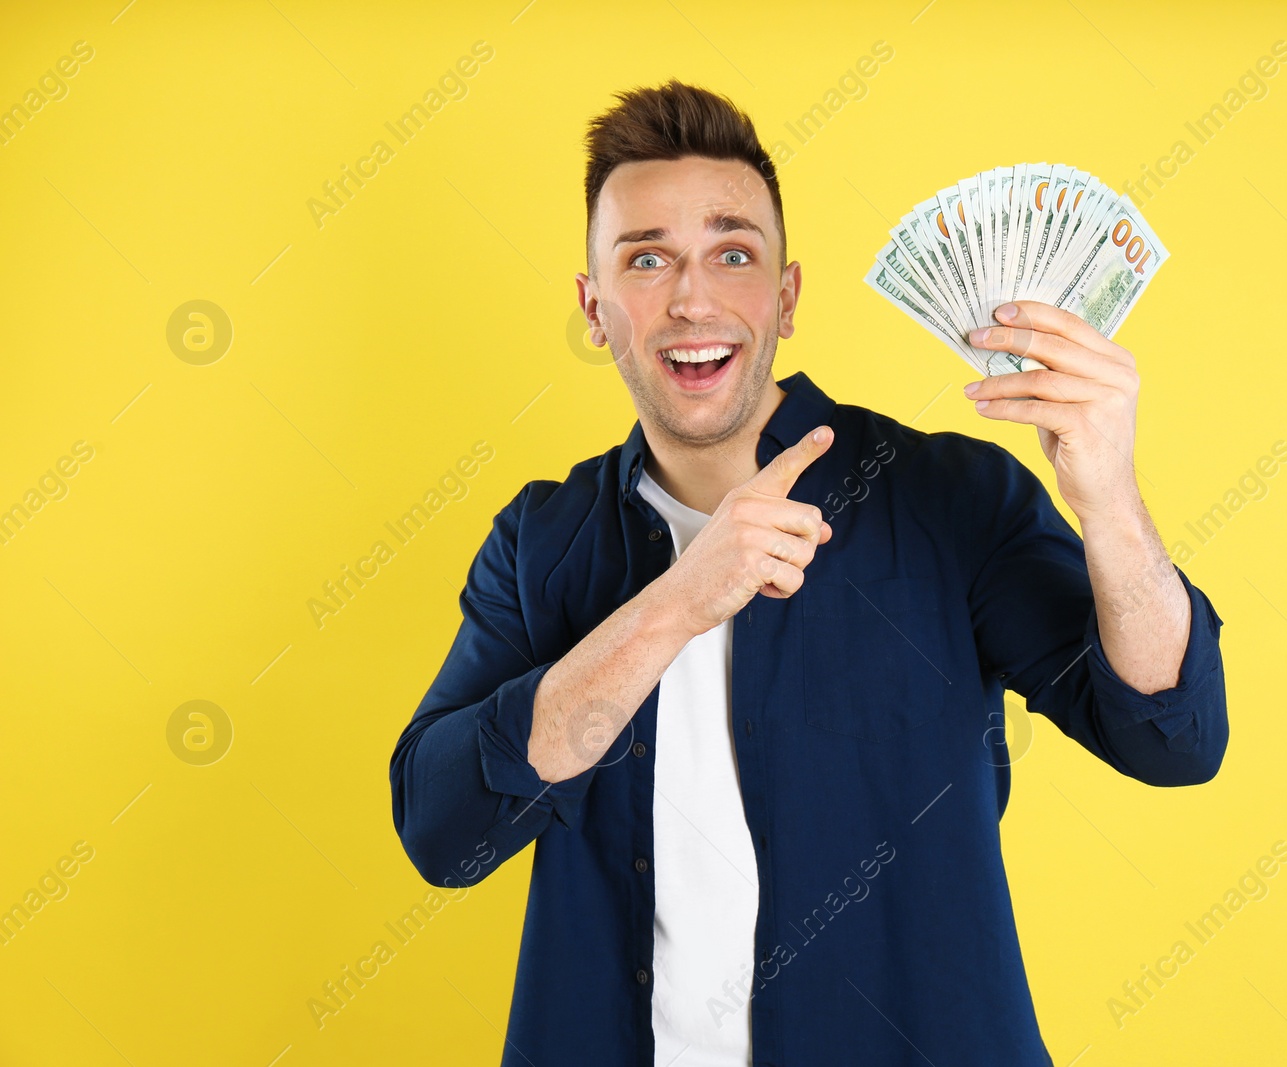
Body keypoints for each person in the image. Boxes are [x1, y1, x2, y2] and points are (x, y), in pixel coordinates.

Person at [389, 79, 1228, 1067]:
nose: (693, 298)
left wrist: (1111, 502)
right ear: (595, 308)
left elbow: (1170, 735)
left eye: (733, 254)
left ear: (785, 298)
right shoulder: (542, 540)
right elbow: (447, 831)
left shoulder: (947, 497)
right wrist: (674, 605)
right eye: (646, 259)